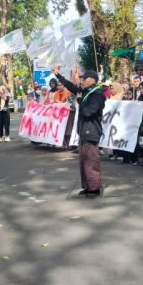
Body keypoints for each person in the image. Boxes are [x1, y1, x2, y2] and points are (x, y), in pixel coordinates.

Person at [53, 65, 106, 198]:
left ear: (92, 80)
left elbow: (88, 112)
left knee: (91, 161)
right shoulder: (87, 91)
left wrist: (79, 100)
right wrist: (58, 75)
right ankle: (88, 187)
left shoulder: (97, 95)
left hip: (91, 131)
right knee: (84, 162)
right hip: (84, 131)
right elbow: (72, 87)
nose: (81, 81)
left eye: (84, 79)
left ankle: (94, 189)